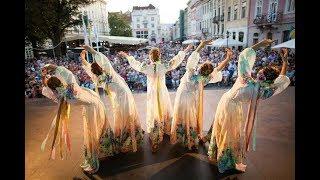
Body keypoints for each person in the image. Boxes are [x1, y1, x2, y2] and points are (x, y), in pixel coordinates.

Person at [204, 39, 290, 173]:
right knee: (230, 134)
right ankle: (225, 160)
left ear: (262, 75)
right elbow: (281, 82)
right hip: (232, 108)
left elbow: (243, 57)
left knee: (225, 131)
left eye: (260, 71)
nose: (259, 71)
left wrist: (259, 44)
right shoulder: (264, 91)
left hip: (226, 103)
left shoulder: (246, 79)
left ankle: (219, 154)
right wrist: (284, 62)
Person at [40, 64, 114, 174]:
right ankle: (104, 151)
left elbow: (47, 89)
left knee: (92, 133)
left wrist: (44, 77)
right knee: (98, 130)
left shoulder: (61, 96)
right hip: (94, 104)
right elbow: (63, 73)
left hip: (93, 108)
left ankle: (97, 156)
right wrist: (50, 68)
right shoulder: (70, 87)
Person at [119, 44, 193, 152]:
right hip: (162, 94)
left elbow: (135, 64)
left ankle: (155, 140)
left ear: (150, 57)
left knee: (154, 114)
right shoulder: (164, 66)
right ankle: (166, 129)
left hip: (153, 95)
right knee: (164, 110)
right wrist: (186, 49)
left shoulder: (147, 67)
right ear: (160, 55)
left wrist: (126, 55)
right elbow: (176, 60)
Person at [170, 40, 233, 150]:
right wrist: (227, 59)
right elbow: (218, 69)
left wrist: (201, 45)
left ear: (200, 67)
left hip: (182, 95)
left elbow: (192, 58)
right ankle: (191, 138)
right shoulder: (206, 78)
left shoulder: (191, 73)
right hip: (192, 98)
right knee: (191, 117)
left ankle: (182, 136)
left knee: (181, 116)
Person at [80, 46, 144, 154]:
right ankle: (130, 137)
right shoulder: (108, 73)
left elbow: (88, 67)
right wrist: (91, 50)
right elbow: (104, 61)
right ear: (101, 68)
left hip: (118, 97)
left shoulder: (97, 78)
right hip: (122, 95)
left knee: (122, 116)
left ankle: (128, 138)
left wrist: (83, 57)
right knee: (125, 116)